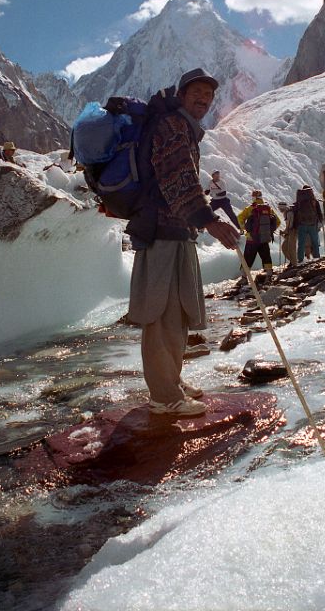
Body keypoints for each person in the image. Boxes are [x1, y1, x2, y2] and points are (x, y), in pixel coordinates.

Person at [127, 68, 240, 417]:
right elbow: (179, 180)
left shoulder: (184, 128)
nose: (203, 99)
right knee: (161, 315)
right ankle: (163, 397)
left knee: (175, 314)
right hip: (161, 232)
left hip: (176, 232)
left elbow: (182, 181)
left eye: (208, 94)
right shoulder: (174, 127)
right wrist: (209, 221)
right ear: (181, 94)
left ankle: (171, 381)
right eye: (197, 92)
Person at [238, 190, 281, 276]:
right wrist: (269, 231)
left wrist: (245, 229)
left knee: (248, 257)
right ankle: (269, 273)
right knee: (266, 256)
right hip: (264, 238)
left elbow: (240, 218)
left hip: (251, 238)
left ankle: (244, 276)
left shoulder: (250, 208)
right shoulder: (268, 209)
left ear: (253, 198)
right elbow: (278, 221)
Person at [294, 184, 322, 262]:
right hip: (313, 224)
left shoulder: (299, 201)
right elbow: (319, 213)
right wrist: (320, 222)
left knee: (301, 243)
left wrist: (296, 225)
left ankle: (300, 259)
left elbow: (295, 213)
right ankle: (317, 258)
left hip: (301, 225)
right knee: (315, 242)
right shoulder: (314, 201)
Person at [278, 200, 297, 268]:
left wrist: (284, 232)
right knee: (285, 247)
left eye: (279, 208)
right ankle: (292, 262)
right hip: (291, 231)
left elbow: (290, 225)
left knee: (291, 248)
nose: (279, 209)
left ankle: (294, 264)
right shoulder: (286, 212)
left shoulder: (289, 213)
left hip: (293, 231)